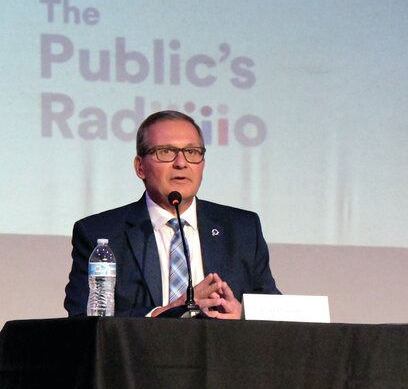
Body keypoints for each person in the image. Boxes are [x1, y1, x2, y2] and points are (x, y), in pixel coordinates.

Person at [64, 110, 280, 319]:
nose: (181, 163)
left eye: (192, 152)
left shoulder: (242, 229)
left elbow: (276, 315)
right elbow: (83, 317)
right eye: (166, 152)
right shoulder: (100, 232)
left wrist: (243, 315)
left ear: (202, 164)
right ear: (140, 167)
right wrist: (168, 311)